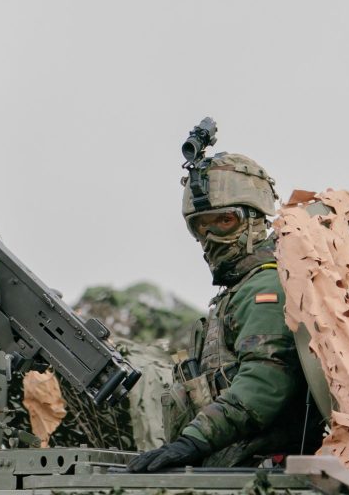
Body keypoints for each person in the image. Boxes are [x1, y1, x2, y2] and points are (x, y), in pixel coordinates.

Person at [128, 152, 316, 472]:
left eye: (225, 221)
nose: (211, 237)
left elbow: (265, 382)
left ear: (254, 219)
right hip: (233, 461)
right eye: (201, 226)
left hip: (257, 466)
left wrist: (194, 441)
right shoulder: (240, 289)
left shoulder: (266, 287)